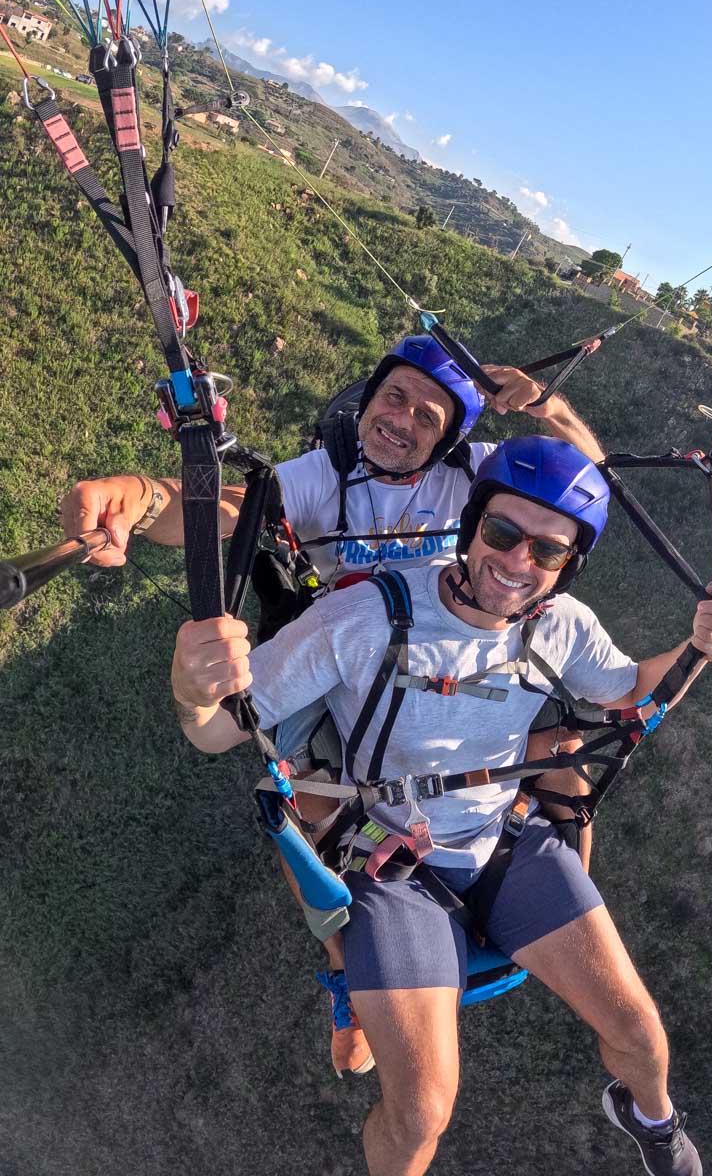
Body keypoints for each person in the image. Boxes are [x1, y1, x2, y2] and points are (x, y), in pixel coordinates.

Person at [170, 436, 712, 1176]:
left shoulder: (560, 625)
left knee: (640, 1030)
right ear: (471, 528)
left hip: (504, 840)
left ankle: (651, 1121)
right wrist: (192, 688)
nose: (517, 563)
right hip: (395, 863)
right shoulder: (366, 616)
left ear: (569, 567)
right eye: (502, 535)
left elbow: (632, 691)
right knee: (420, 1114)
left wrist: (696, 651)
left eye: (547, 553)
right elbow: (220, 731)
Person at [59, 334, 606, 1075]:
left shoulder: (473, 481)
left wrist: (547, 406)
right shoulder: (327, 474)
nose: (404, 420)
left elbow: (583, 480)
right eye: (394, 397)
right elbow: (230, 508)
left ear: (451, 439)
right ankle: (349, 969)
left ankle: (546, 897)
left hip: (445, 653)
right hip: (339, 657)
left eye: (429, 414)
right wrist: (144, 497)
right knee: (310, 805)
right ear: (368, 401)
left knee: (570, 763)